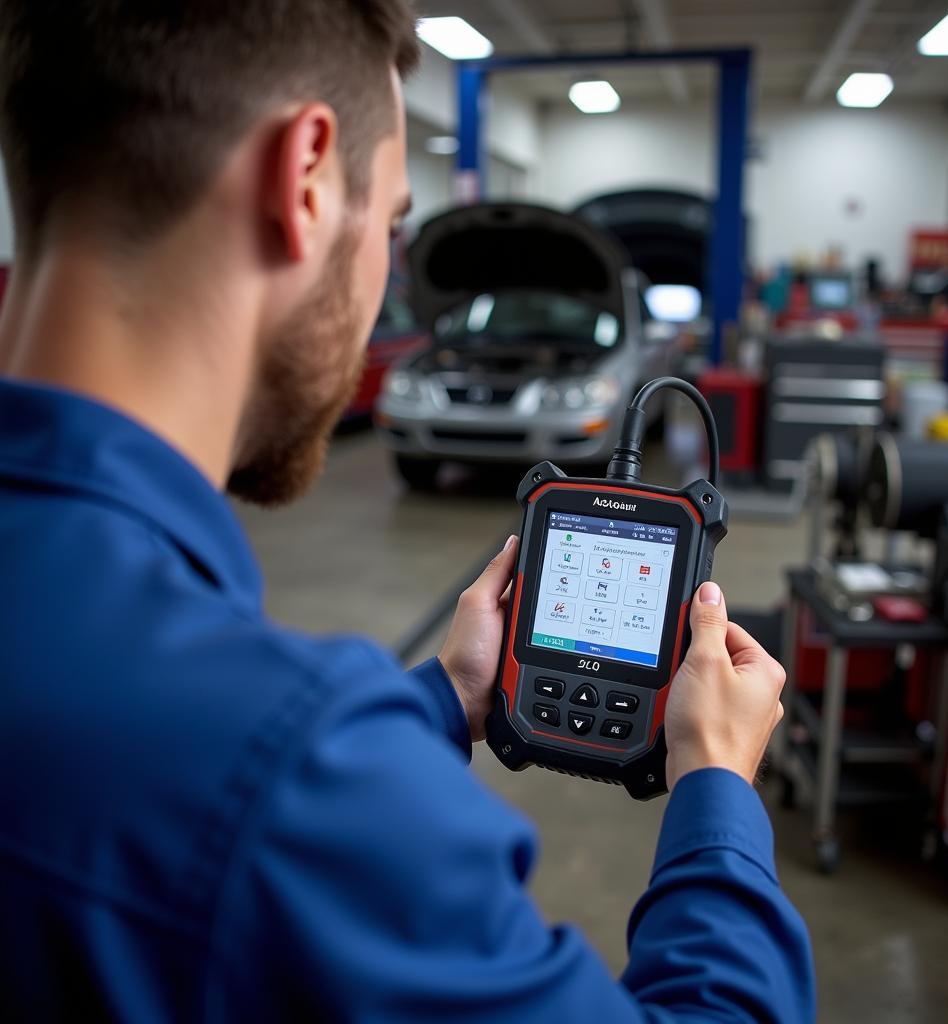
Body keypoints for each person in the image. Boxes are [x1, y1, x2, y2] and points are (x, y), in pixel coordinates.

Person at [0, 3, 814, 1021]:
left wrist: (447, 698)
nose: (387, 260)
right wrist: (717, 793)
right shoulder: (291, 771)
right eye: (389, 223)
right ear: (303, 178)